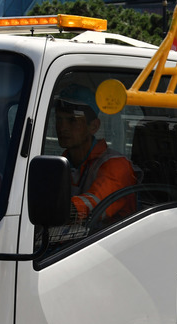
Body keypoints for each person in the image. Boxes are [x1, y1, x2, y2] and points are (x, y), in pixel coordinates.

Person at [53, 84, 137, 225]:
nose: (62, 128)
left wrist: (48, 207)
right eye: (59, 119)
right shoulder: (64, 162)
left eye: (72, 120)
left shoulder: (116, 165)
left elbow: (92, 205)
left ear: (94, 126)